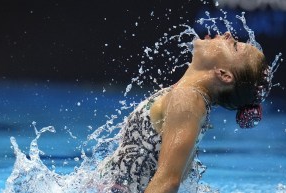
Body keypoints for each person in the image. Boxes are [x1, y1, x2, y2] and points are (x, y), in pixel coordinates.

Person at [97, 31, 274, 193]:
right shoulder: (189, 97)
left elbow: (168, 182)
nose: (228, 34)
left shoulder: (188, 99)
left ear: (224, 75)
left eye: (234, 46)